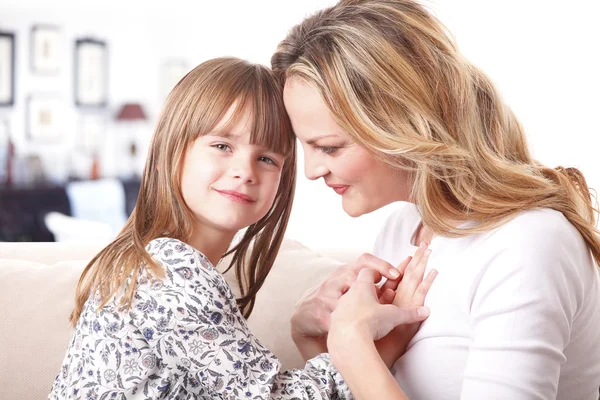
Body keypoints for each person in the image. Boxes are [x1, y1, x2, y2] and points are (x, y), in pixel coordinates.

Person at [48, 57, 434, 400]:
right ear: (173, 148)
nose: (244, 172)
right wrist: (379, 342)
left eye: (266, 157)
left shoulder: (151, 261)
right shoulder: (172, 272)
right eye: (221, 146)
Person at [271, 0, 600, 399]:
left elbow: (364, 365)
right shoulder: (404, 228)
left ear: (402, 124)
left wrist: (351, 345)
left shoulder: (527, 241)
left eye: (330, 147)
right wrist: (313, 339)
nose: (311, 171)